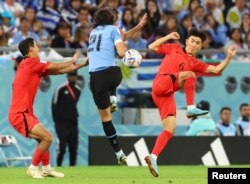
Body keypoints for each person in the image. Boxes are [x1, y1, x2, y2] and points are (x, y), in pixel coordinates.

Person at [144, 28, 236, 177]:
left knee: (171, 128)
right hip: (160, 83)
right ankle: (191, 108)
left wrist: (229, 58)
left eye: (197, 43)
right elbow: (151, 47)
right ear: (187, 41)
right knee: (190, 75)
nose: (193, 44)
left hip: (165, 94)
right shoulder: (174, 48)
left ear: (200, 47)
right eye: (192, 41)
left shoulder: (194, 62)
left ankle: (153, 157)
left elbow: (216, 69)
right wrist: (168, 36)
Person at [8, 37, 88, 179]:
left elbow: (58, 71)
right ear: (31, 49)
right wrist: (71, 60)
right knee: (48, 138)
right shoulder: (32, 62)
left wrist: (81, 65)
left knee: (43, 139)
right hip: (20, 114)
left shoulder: (27, 64)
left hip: (24, 113)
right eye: (36, 46)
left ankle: (46, 169)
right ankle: (33, 168)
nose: (39, 48)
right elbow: (57, 66)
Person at [87, 8, 147, 165]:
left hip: (95, 78)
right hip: (113, 75)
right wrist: (126, 51)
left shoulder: (93, 33)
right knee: (116, 68)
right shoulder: (114, 30)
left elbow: (118, 38)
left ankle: (119, 154)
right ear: (112, 19)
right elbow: (120, 51)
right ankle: (113, 99)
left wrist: (136, 28)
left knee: (106, 119)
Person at [52, 70, 82, 166]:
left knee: (73, 147)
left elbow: (73, 105)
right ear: (67, 76)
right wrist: (56, 120)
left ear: (76, 77)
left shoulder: (78, 90)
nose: (72, 77)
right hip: (61, 123)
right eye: (70, 75)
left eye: (74, 75)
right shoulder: (60, 89)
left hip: (73, 122)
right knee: (62, 147)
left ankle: (72, 167)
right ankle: (59, 166)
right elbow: (54, 104)